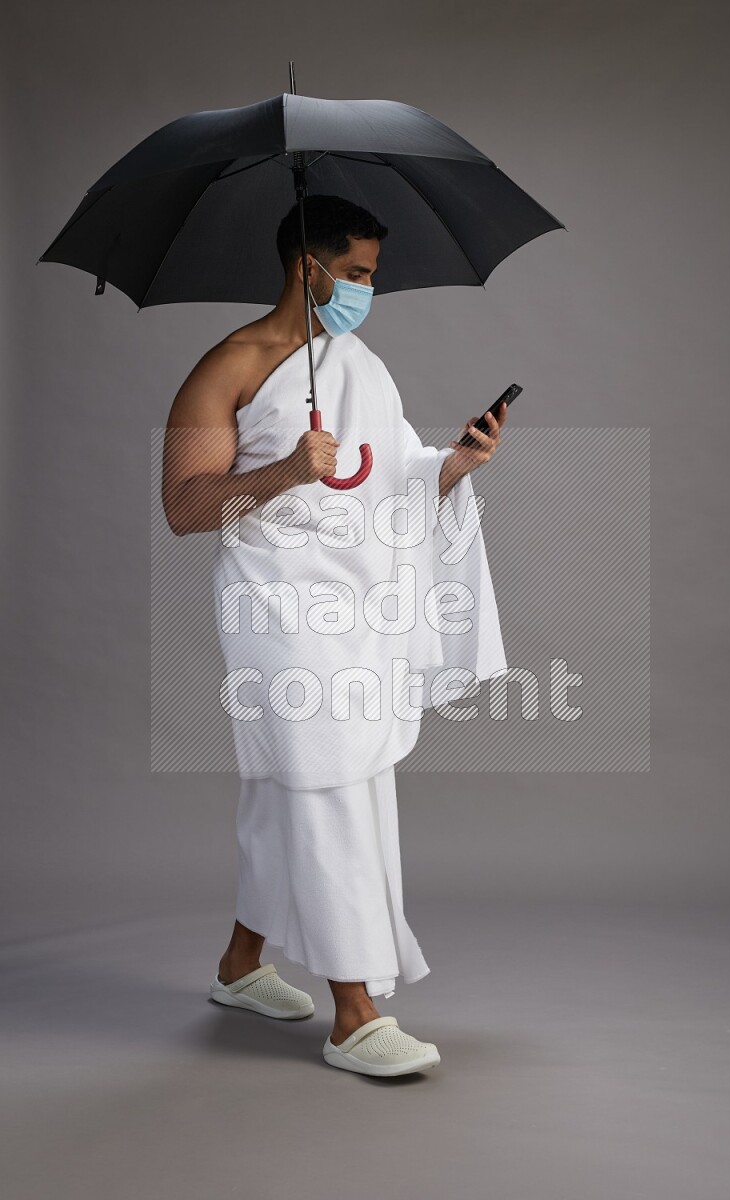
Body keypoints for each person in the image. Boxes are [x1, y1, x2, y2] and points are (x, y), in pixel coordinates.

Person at [161, 194, 507, 1076]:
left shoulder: (358, 363)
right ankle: (356, 1013)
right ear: (306, 266)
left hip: (360, 606)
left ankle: (241, 967)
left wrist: (452, 466)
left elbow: (385, 479)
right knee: (331, 785)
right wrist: (282, 469)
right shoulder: (228, 367)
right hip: (280, 613)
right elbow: (184, 506)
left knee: (291, 787)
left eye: (370, 277)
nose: (364, 291)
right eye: (355, 274)